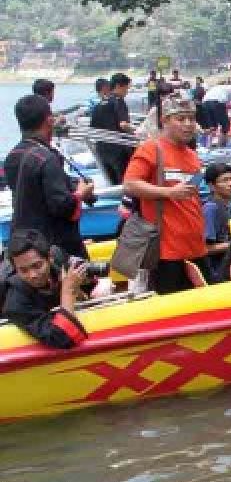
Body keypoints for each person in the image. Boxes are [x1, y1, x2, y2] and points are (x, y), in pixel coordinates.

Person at [123, 95, 209, 293]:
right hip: (166, 251)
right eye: (180, 119)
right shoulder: (151, 148)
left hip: (195, 245)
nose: (188, 125)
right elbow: (130, 184)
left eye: (191, 118)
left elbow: (192, 194)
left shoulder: (192, 155)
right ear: (165, 121)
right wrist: (169, 192)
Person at [4, 94, 94, 260]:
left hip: (23, 239)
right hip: (52, 244)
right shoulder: (47, 158)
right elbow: (61, 206)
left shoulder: (12, 156)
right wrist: (81, 193)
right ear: (49, 120)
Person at [1, 230, 89, 349]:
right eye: (23, 270)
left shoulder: (58, 257)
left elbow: (88, 284)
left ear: (49, 257)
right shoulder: (15, 303)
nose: (32, 275)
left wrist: (89, 286)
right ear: (15, 268)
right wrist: (68, 291)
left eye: (37, 266)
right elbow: (61, 338)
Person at [90, 73, 134, 184]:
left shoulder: (99, 104)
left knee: (112, 183)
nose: (127, 92)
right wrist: (137, 131)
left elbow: (93, 128)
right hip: (119, 150)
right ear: (119, 86)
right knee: (125, 183)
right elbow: (123, 124)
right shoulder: (119, 101)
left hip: (102, 150)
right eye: (126, 89)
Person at [202, 163, 231, 260]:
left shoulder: (226, 205)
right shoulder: (210, 208)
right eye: (225, 180)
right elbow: (206, 248)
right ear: (211, 185)